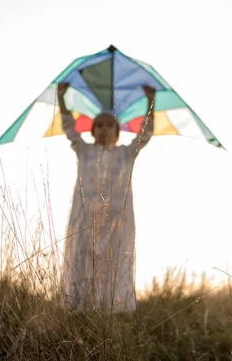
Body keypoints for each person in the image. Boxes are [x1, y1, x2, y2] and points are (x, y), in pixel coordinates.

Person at [56, 82, 156, 313]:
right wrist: (61, 97)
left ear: (117, 131)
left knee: (114, 260)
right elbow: (69, 127)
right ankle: (80, 309)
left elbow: (145, 133)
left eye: (109, 125)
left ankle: (112, 309)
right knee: (83, 259)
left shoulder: (126, 153)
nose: (103, 129)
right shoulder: (84, 150)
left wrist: (151, 102)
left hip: (117, 220)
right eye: (98, 125)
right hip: (85, 219)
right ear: (92, 131)